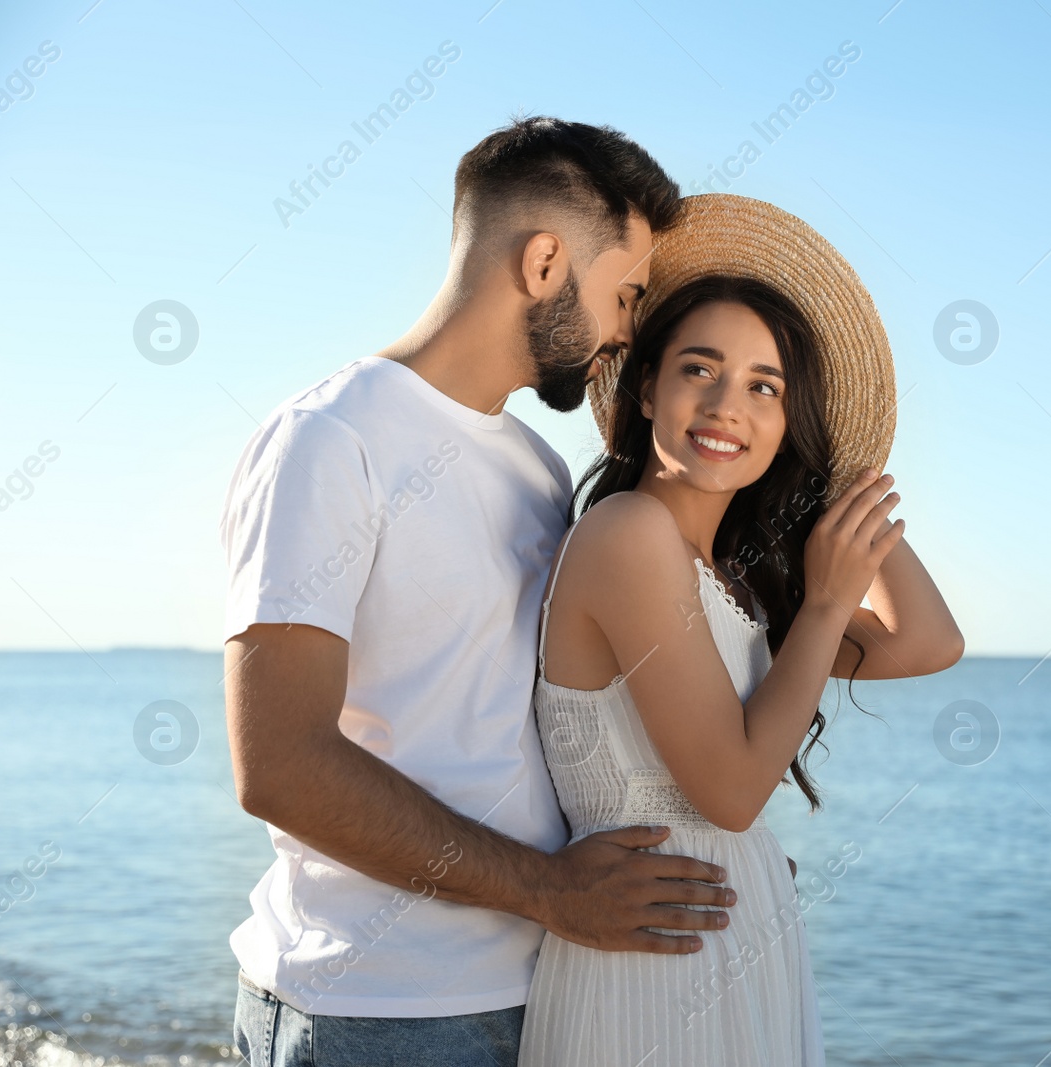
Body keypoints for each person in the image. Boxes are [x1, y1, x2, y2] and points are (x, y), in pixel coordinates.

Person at [219, 117, 739, 1067]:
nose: (627, 329)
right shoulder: (330, 441)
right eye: (622, 293)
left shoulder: (540, 470)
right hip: (371, 1014)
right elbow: (280, 763)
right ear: (545, 263)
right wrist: (549, 889)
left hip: (539, 992)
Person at [517, 195, 964, 1065]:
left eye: (766, 388)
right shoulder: (628, 535)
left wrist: (836, 478)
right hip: (651, 969)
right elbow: (730, 793)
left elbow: (927, 642)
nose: (729, 405)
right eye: (700, 369)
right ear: (647, 386)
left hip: (734, 942)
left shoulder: (738, 589)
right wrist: (829, 600)